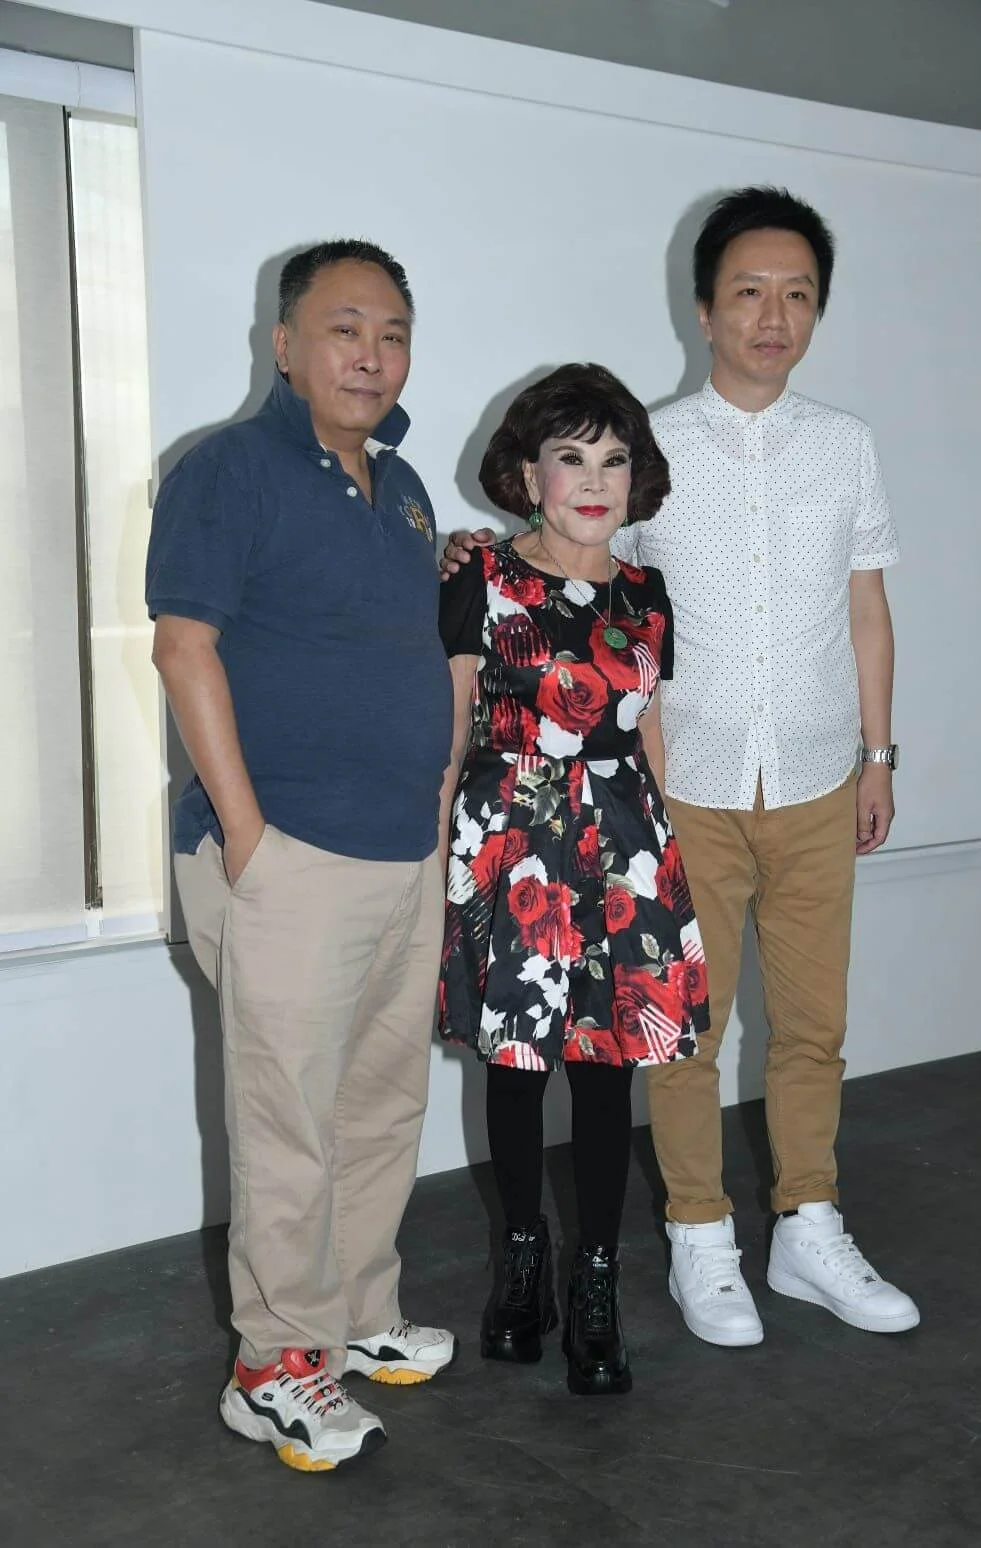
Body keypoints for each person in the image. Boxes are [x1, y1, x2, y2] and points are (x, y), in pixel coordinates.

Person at [442, 187, 919, 1349]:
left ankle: (809, 1224)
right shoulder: (649, 451)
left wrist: (878, 755)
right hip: (678, 792)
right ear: (705, 309)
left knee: (813, 1026)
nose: (773, 316)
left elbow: (867, 610)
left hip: (815, 777)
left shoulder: (846, 446)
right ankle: (701, 1236)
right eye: (749, 292)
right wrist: (472, 557)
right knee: (679, 1036)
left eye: (797, 294)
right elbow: (576, 568)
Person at [146, 240, 455, 1473]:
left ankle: (357, 1315)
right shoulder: (226, 470)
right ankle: (272, 1365)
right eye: (344, 328)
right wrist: (248, 834)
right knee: (288, 1127)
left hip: (402, 850)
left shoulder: (406, 487)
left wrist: (434, 808)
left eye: (392, 333)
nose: (371, 355)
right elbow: (183, 649)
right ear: (284, 345)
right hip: (287, 856)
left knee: (381, 1105)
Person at [437, 363, 710, 1396]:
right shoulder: (480, 576)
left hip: (625, 851)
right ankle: (522, 1260)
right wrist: (437, 868)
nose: (594, 481)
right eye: (571, 458)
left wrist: (669, 863)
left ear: (636, 478)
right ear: (528, 473)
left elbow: (648, 732)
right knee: (514, 1068)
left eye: (614, 459)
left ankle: (596, 1279)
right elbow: (451, 734)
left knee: (606, 1070)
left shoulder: (646, 594)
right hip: (511, 848)